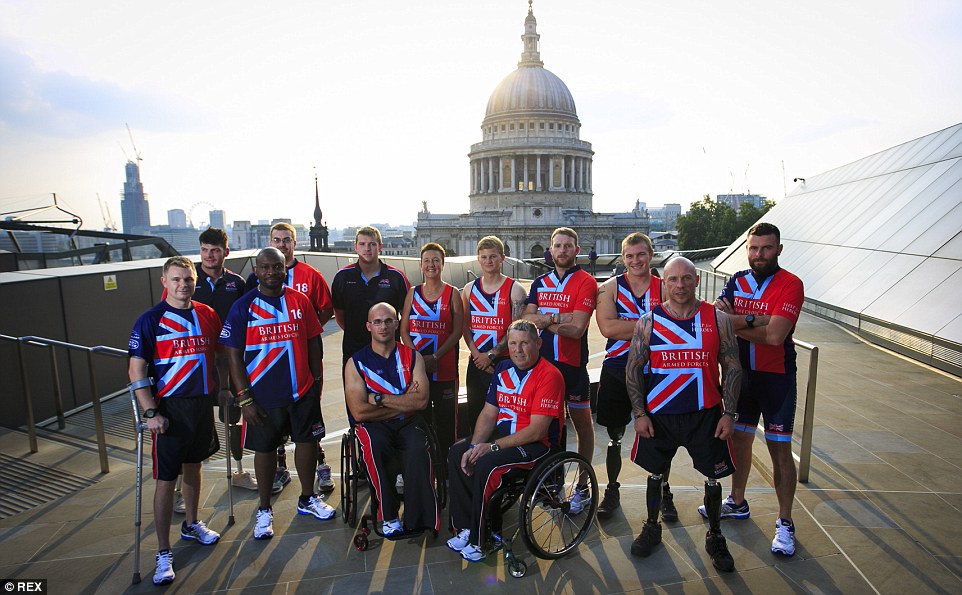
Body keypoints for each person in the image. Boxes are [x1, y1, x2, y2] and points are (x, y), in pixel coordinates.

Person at [625, 257, 743, 572]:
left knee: (714, 477)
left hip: (705, 413)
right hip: (659, 414)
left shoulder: (718, 319)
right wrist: (639, 413)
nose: (680, 285)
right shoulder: (648, 321)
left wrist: (729, 413)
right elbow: (633, 367)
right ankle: (652, 526)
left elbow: (732, 366)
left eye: (686, 278)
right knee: (653, 474)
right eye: (673, 279)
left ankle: (715, 534)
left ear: (696, 281)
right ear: (664, 283)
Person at [220, 247, 336, 542]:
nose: (272, 272)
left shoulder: (300, 301)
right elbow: (232, 355)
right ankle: (264, 509)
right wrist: (244, 398)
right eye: (265, 267)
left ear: (286, 269)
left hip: (301, 390)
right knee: (266, 450)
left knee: (308, 442)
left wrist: (316, 381)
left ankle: (307, 499)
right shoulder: (243, 306)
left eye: (277, 267)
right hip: (262, 395)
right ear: (256, 271)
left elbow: (313, 341)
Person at [706, 222, 804, 557]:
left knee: (780, 451)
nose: (758, 255)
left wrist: (738, 322)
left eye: (765, 248)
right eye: (753, 248)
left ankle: (785, 521)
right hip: (742, 377)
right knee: (739, 442)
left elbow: (776, 336)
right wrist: (756, 320)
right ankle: (737, 501)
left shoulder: (791, 284)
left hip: (776, 379)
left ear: (778, 249)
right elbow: (718, 321)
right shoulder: (736, 280)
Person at [128, 256, 223, 586]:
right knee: (166, 479)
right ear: (164, 281)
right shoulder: (150, 320)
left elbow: (217, 356)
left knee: (194, 466)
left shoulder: (207, 314)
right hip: (168, 408)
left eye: (189, 279)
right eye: (177, 279)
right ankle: (164, 551)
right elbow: (136, 370)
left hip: (200, 404)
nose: (183, 284)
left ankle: (192, 524)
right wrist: (150, 412)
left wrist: (222, 393)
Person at [446, 320, 564, 562]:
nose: (518, 350)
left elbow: (536, 431)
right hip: (502, 437)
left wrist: (491, 447)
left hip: (536, 446)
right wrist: (472, 447)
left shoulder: (550, 376)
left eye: (524, 343)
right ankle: (466, 527)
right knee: (457, 453)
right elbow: (489, 414)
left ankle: (483, 540)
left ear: (538, 344)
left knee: (488, 464)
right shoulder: (502, 369)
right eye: (512, 343)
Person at [245, 222, 335, 496]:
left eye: (287, 240)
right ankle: (280, 468)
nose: (282, 244)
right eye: (277, 239)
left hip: (302, 363)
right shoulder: (255, 282)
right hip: (270, 366)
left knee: (308, 424)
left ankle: (319, 466)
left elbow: (327, 308)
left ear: (295, 243)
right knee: (274, 425)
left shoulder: (310, 274)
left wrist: (304, 331)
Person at [594, 233, 677, 521]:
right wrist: (653, 324)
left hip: (657, 371)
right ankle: (612, 489)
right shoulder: (609, 288)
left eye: (641, 254)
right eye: (629, 256)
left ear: (651, 254)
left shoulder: (666, 286)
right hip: (618, 368)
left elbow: (676, 323)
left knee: (662, 436)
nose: (635, 260)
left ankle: (665, 490)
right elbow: (607, 329)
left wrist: (627, 325)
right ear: (623, 258)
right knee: (614, 436)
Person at [344, 302, 438, 538]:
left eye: (388, 320)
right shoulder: (355, 363)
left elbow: (421, 402)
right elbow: (359, 413)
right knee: (375, 446)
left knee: (418, 448)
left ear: (396, 323)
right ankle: (388, 515)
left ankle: (420, 517)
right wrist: (403, 400)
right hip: (374, 426)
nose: (383, 326)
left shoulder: (412, 356)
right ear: (368, 326)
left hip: (408, 423)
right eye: (377, 321)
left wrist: (379, 398)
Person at [523, 227, 597, 512]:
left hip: (573, 367)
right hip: (544, 368)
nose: (563, 250)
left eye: (568, 246)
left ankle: (583, 485)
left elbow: (577, 329)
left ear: (577, 250)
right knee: (549, 428)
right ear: (550, 250)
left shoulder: (586, 281)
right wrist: (557, 318)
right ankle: (551, 484)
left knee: (582, 427)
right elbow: (525, 317)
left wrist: (545, 319)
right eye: (558, 246)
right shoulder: (540, 282)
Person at [194, 227, 256, 493]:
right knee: (194, 420)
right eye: (205, 250)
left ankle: (239, 470)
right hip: (196, 363)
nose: (209, 256)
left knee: (233, 415)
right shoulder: (188, 279)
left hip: (229, 361)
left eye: (215, 251)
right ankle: (183, 485)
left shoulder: (236, 283)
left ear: (225, 253)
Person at [400, 242, 463, 456]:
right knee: (420, 420)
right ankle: (424, 465)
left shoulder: (453, 294)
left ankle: (447, 468)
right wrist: (417, 358)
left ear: (443, 264)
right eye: (427, 260)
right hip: (417, 370)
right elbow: (404, 329)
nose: (431, 265)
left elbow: (457, 332)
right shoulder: (412, 293)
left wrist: (435, 356)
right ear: (420, 265)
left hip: (444, 369)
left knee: (447, 422)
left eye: (436, 260)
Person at [460, 236, 527, 436]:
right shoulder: (469, 289)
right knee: (475, 414)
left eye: (493, 257)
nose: (488, 261)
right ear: (478, 260)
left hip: (504, 362)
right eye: (484, 257)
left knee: (504, 417)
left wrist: (491, 355)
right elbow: (465, 325)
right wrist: (476, 355)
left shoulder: (515, 290)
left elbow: (516, 329)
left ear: (502, 258)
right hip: (477, 362)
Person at [331, 226, 410, 365]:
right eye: (362, 244)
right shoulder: (342, 277)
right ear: (355, 247)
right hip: (354, 350)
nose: (367, 248)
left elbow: (406, 315)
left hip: (389, 351)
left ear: (380, 247)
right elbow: (339, 315)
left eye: (372, 244)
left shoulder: (396, 277)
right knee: (355, 387)